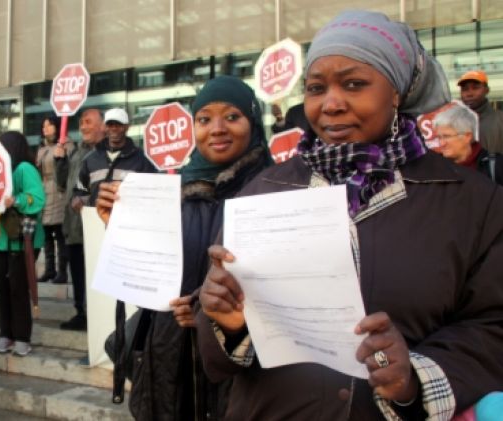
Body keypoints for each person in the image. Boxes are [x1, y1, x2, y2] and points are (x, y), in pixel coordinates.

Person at [196, 10, 503, 420]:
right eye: (316, 88)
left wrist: (413, 376)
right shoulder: (265, 192)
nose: (331, 104)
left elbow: (491, 326)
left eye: (354, 84)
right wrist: (230, 323)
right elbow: (216, 346)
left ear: (396, 92)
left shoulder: (472, 202)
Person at [96, 76, 272, 419]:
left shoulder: (275, 191)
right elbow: (147, 280)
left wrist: (212, 317)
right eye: (204, 119)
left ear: (253, 122)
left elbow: (289, 295)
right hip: (169, 362)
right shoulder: (174, 193)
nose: (217, 129)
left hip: (239, 373)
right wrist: (117, 225)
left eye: (232, 117)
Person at [0, 131, 45, 357]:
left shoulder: (24, 169)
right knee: (2, 289)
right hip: (1, 240)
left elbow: (38, 198)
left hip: (22, 242)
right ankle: (6, 334)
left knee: (18, 290)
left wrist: (18, 200)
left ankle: (22, 337)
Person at [54, 108, 105, 331]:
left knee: (94, 275)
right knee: (77, 272)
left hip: (95, 227)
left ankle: (95, 315)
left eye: (88, 122)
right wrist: (60, 160)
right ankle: (81, 312)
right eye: (81, 122)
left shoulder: (106, 153)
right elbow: (63, 183)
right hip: (73, 226)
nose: (83, 126)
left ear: (103, 125)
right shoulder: (76, 152)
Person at [75, 107, 156, 206]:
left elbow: (151, 191)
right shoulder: (90, 159)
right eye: (110, 124)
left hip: (128, 219)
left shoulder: (141, 159)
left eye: (119, 125)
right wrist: (78, 199)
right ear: (105, 127)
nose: (114, 128)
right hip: (97, 219)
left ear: (127, 127)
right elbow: (80, 189)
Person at [36, 116, 69, 284]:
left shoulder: (65, 144)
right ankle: (50, 269)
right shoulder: (42, 148)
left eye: (49, 125)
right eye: (43, 126)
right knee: (46, 233)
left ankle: (62, 271)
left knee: (60, 232)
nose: (45, 128)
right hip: (44, 191)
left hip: (58, 190)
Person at [434, 105, 503, 184]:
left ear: (467, 136)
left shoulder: (496, 166)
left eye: (447, 136)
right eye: (439, 137)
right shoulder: (435, 165)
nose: (441, 143)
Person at [457, 70, 503, 154]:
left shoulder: (500, 119)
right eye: (465, 89)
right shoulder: (453, 122)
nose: (469, 93)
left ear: (487, 90)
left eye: (475, 88)